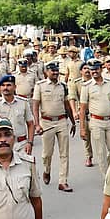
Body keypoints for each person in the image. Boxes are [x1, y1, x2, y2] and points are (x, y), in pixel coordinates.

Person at [32, 61, 75, 192]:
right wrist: (37, 124)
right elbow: (35, 106)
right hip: (46, 122)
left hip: (62, 121)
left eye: (57, 71)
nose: (55, 73)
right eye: (52, 71)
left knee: (64, 153)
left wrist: (73, 122)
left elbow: (67, 105)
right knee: (47, 154)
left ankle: (63, 181)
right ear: (46, 72)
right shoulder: (40, 86)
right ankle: (47, 170)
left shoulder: (63, 86)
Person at [79, 59, 110, 176]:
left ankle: (109, 170)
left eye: (96, 69)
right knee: (100, 152)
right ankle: (106, 178)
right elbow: (82, 109)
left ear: (101, 69)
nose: (94, 72)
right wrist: (82, 128)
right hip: (96, 122)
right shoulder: (86, 86)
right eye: (92, 70)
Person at [0, 75, 35, 155]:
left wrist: (30, 142)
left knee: (25, 167)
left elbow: (30, 124)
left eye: (8, 85)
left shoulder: (23, 103)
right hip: (3, 145)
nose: (5, 88)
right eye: (3, 85)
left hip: (21, 144)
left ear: (15, 87)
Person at [69, 61, 94, 167]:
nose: (87, 70)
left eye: (89, 68)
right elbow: (72, 98)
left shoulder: (96, 81)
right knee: (86, 137)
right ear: (81, 71)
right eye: (84, 69)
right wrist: (74, 111)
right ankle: (89, 156)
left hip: (96, 113)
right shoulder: (77, 83)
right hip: (84, 113)